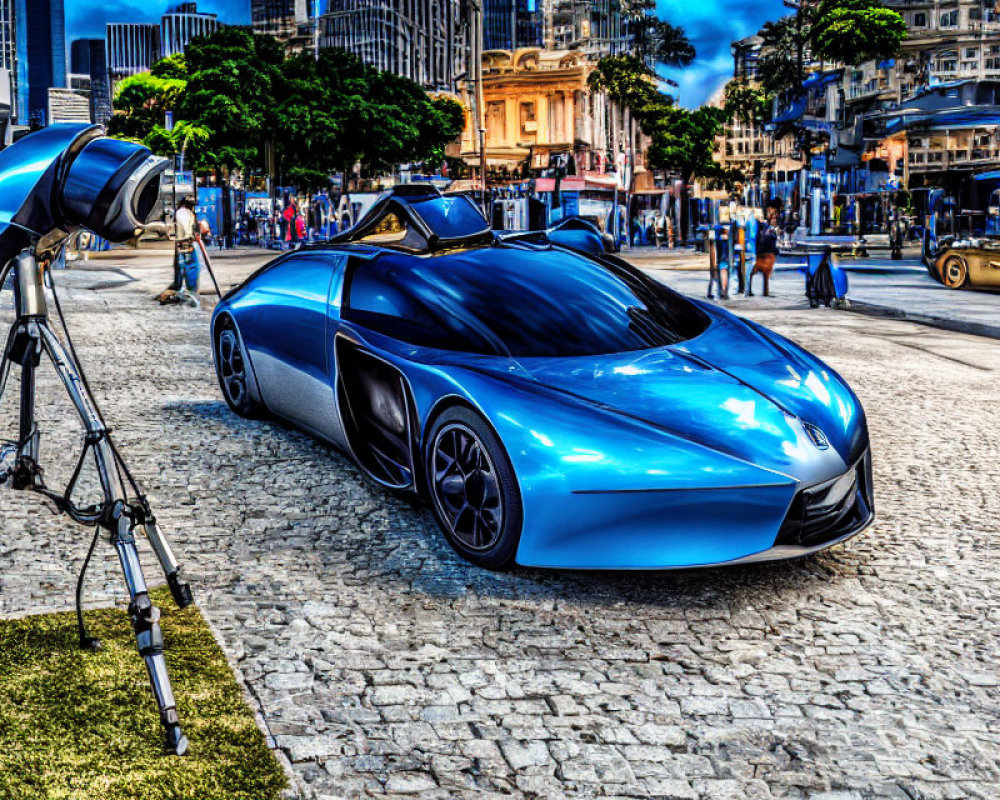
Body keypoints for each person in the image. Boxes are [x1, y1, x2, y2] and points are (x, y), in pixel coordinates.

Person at [174, 196, 201, 308]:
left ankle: (181, 289)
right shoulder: (184, 213)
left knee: (181, 267)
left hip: (182, 244)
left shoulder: (181, 212)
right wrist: (190, 236)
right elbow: (187, 228)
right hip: (186, 243)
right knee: (191, 267)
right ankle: (191, 292)